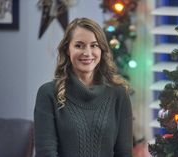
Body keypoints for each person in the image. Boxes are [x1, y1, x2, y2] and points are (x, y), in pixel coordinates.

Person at [34, 17, 133, 157]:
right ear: (68, 49)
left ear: (101, 49)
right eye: (79, 45)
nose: (87, 53)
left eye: (94, 45)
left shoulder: (118, 93)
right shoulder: (48, 93)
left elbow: (124, 153)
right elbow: (46, 153)